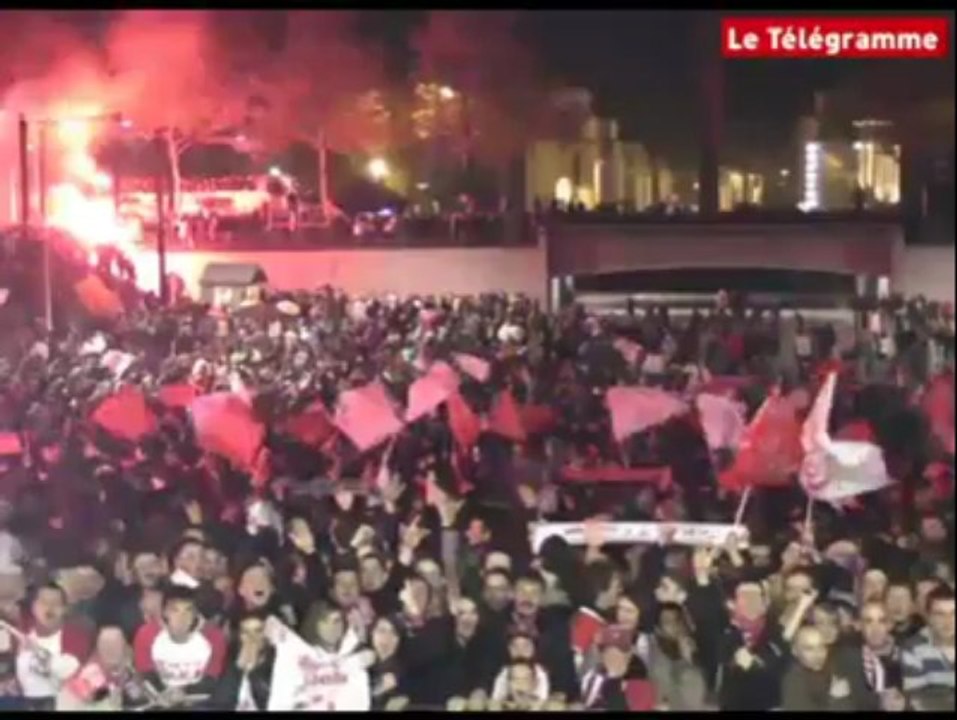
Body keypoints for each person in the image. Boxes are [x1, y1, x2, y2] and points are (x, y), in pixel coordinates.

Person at [133, 585, 226, 709]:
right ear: (164, 611)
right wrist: (166, 695)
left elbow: (211, 680)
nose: (181, 617)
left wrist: (183, 693)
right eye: (174, 610)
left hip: (199, 703)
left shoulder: (214, 637)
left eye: (188, 610)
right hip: (159, 700)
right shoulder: (146, 634)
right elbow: (146, 674)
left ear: (195, 613)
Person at [15, 583, 92, 710]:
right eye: (44, 602)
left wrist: (35, 650)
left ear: (65, 609)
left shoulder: (75, 636)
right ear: (34, 607)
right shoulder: (23, 634)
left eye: (56, 604)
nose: (49, 608)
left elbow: (68, 671)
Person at [781, 625, 876, 711]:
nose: (818, 654)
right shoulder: (793, 681)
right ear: (795, 651)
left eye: (822, 647)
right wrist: (835, 699)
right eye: (809, 648)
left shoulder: (834, 667)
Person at [901, 586, 956, 711]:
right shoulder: (912, 648)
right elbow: (917, 701)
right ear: (929, 617)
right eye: (940, 614)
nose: (948, 621)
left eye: (954, 613)